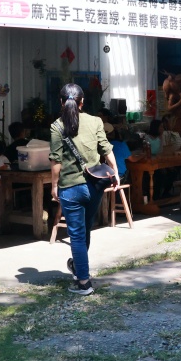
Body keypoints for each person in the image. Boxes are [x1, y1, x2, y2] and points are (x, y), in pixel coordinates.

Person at [49, 83, 118, 296]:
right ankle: (79, 269)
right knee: (85, 230)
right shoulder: (96, 121)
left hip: (70, 187)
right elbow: (106, 150)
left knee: (77, 236)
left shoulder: (56, 126)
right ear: (82, 102)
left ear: (61, 102)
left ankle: (84, 283)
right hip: (94, 185)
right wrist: (114, 174)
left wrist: (54, 186)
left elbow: (56, 161)